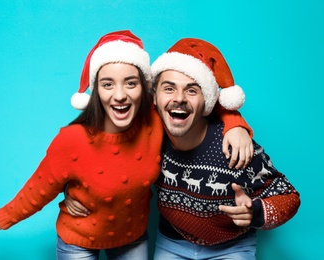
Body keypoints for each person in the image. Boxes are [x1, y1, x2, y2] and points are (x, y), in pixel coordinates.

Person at [0, 30, 253, 260]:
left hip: (131, 238)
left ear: (145, 89)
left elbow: (194, 101)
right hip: (78, 239)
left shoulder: (155, 122)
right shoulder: (72, 140)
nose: (120, 95)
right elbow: (40, 187)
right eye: (108, 85)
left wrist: (235, 122)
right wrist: (5, 216)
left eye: (130, 83)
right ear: (96, 91)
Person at [65, 37, 301, 259]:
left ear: (207, 101)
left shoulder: (235, 147)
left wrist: (256, 213)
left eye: (192, 90)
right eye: (168, 88)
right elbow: (93, 154)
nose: (179, 98)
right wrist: (71, 191)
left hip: (231, 247)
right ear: (154, 98)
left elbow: (289, 196)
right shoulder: (146, 134)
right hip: (173, 243)